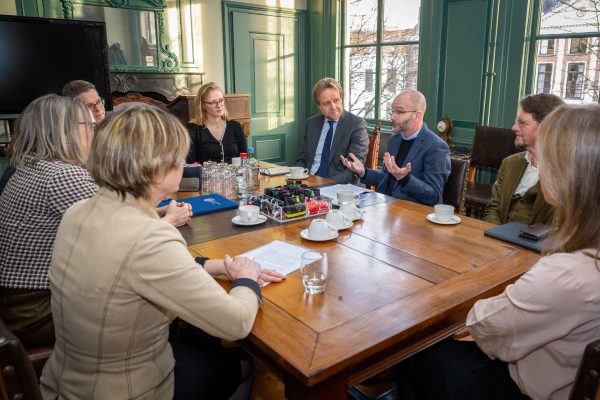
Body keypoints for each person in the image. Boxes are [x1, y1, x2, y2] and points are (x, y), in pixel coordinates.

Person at [40, 106, 285, 399]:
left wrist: (215, 265)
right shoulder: (150, 236)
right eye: (179, 157)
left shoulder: (78, 211)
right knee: (241, 366)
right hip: (129, 390)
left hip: (64, 381)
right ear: (158, 168)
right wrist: (246, 277)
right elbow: (235, 324)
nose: (183, 163)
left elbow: (133, 269)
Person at [396, 104, 600, 400]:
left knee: (414, 353)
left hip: (525, 389)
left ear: (570, 172)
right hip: (562, 372)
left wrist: (460, 301)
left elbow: (488, 331)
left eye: (548, 156)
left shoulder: (566, 273)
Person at [0, 94, 97, 347]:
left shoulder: (28, 167)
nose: (94, 132)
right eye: (88, 125)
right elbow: (122, 237)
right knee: (146, 303)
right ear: (63, 132)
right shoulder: (62, 175)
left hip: (14, 304)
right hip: (37, 312)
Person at [341, 90, 450, 206]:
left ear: (417, 116)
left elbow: (434, 196)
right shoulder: (395, 140)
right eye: (392, 111)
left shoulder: (436, 147)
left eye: (399, 112)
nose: (392, 117)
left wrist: (405, 179)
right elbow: (387, 178)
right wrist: (363, 172)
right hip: (383, 206)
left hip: (410, 212)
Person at [484, 93, 564, 225]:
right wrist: (495, 238)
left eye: (522, 123)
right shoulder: (510, 163)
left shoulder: (567, 175)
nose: (514, 128)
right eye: (516, 121)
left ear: (546, 128)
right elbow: (494, 209)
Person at [295, 77, 369, 184]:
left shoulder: (356, 125)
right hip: (308, 182)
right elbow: (302, 159)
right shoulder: (311, 124)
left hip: (338, 186)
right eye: (326, 103)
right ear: (319, 106)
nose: (333, 107)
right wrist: (297, 179)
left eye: (336, 100)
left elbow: (353, 170)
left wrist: (324, 184)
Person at [186, 82, 247, 164]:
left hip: (235, 175)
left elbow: (245, 159)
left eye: (221, 100)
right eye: (213, 102)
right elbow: (190, 164)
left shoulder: (235, 126)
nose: (219, 105)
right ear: (202, 105)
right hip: (206, 176)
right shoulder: (193, 130)